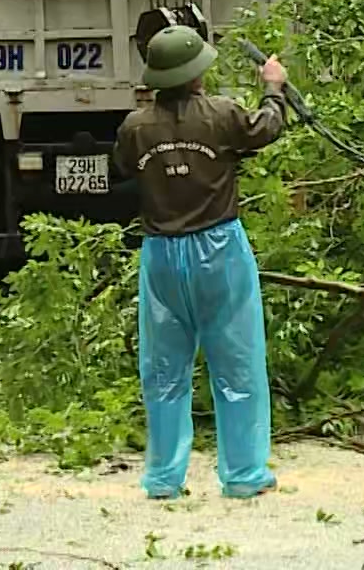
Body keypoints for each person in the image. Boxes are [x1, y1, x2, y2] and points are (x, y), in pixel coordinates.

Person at [113, 25, 287, 500]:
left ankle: (164, 479)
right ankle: (244, 476)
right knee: (237, 362)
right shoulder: (223, 114)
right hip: (219, 248)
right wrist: (272, 85)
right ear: (196, 74)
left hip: (162, 255)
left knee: (164, 368)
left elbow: (124, 167)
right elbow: (267, 128)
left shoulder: (135, 126)